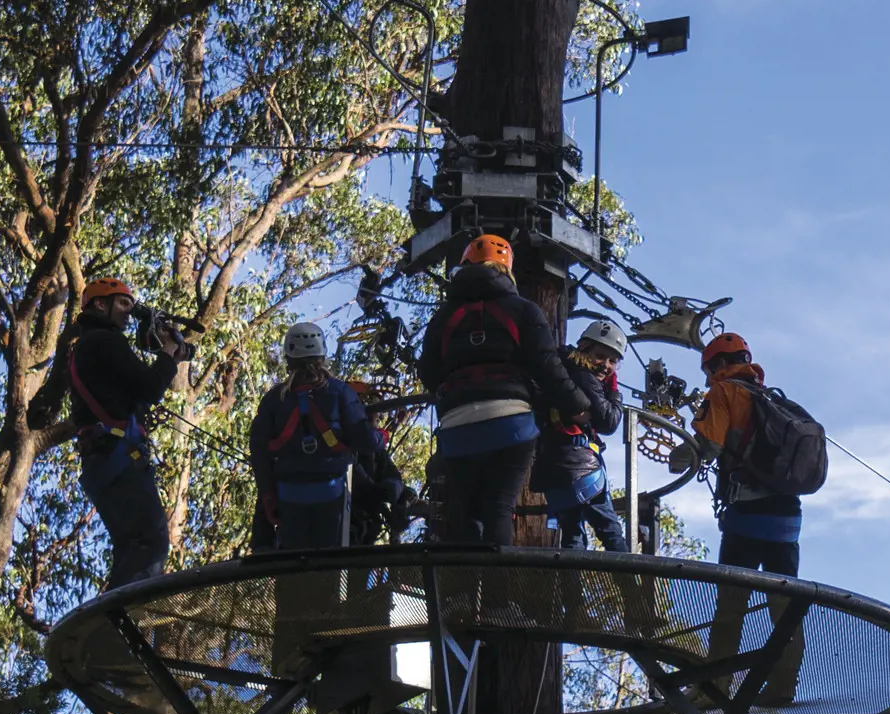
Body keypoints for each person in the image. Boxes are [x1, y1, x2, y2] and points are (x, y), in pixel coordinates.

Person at [415, 232, 584, 547]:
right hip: (511, 423)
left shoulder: (444, 317)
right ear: (508, 269)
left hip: (457, 425)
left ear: (465, 265)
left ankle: (467, 577)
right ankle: (498, 578)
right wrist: (579, 404)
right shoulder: (524, 310)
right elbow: (548, 367)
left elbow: (428, 372)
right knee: (499, 507)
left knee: (467, 511)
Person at [43, 274, 184, 585]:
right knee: (150, 542)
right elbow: (150, 387)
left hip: (104, 458)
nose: (128, 311)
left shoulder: (87, 345)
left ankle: (115, 611)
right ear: (99, 305)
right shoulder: (104, 341)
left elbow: (133, 391)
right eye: (122, 303)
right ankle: (127, 613)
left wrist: (167, 354)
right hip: (117, 456)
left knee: (131, 547)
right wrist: (167, 353)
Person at [688, 329, 805, 694]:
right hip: (788, 516)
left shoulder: (723, 392)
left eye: (709, 371)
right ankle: (783, 686)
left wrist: (681, 454)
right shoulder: (771, 398)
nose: (708, 379)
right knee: (783, 604)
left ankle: (716, 686)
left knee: (731, 604)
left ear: (718, 365)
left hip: (747, 516)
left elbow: (708, 446)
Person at [248, 321, 393, 553]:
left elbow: (259, 452)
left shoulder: (274, 400)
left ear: (288, 359)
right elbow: (365, 440)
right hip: (331, 493)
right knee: (327, 558)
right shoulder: (340, 392)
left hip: (289, 495)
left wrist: (268, 497)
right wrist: (382, 436)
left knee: (293, 558)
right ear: (322, 355)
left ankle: (270, 557)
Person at [534, 317, 631, 552]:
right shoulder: (584, 376)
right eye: (600, 356)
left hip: (555, 464)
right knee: (610, 531)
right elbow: (608, 421)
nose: (606, 365)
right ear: (585, 350)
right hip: (579, 464)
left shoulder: (563, 373)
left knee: (573, 534)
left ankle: (573, 578)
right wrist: (614, 393)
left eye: (612, 361)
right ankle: (632, 575)